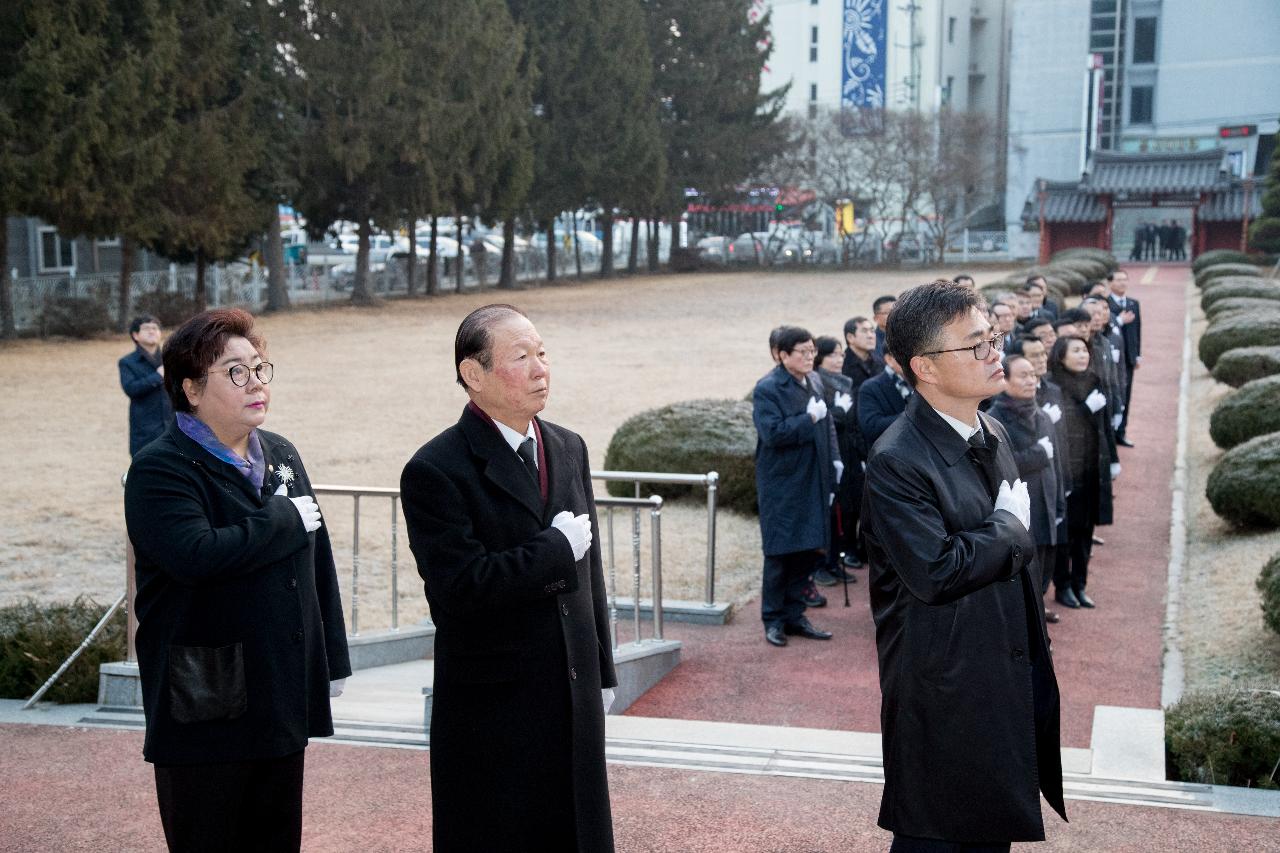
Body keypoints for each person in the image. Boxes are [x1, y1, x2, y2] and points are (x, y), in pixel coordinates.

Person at [122, 308, 351, 853]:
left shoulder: (282, 454)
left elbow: (317, 565)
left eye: (259, 368)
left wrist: (331, 661)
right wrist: (280, 519)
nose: (255, 384)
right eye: (235, 372)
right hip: (205, 701)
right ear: (191, 389)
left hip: (280, 692)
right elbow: (195, 555)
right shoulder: (162, 468)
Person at [400, 304, 616, 852]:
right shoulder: (436, 469)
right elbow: (459, 589)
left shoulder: (568, 446)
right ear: (473, 374)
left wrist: (603, 669)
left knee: (578, 831)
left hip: (572, 688)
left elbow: (590, 573)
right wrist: (553, 550)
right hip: (494, 703)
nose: (541, 368)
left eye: (542, 353)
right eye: (521, 357)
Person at [862, 281, 1065, 849]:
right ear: (924, 367)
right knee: (939, 833)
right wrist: (1007, 529)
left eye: (992, 338)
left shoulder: (990, 428)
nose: (994, 353)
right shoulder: (896, 459)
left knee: (988, 832)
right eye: (975, 344)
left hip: (997, 674)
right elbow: (936, 569)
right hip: (944, 692)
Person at [753, 326, 838, 647]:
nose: (808, 357)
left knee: (808, 548)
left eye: (811, 351)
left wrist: (835, 463)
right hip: (782, 482)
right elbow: (772, 433)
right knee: (780, 554)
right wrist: (808, 420)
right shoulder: (768, 388)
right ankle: (773, 619)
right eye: (801, 352)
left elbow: (827, 424)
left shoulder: (814, 380)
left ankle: (795, 614)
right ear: (782, 354)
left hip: (814, 476)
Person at [987, 353, 1067, 626]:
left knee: (1046, 564)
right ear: (1004, 380)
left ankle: (1039, 607)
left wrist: (1058, 504)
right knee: (1023, 572)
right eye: (1023, 375)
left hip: (1046, 501)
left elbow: (1056, 463)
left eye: (1033, 375)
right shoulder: (993, 420)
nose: (1031, 381)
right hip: (1019, 512)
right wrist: (1038, 453)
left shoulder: (1042, 415)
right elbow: (1002, 466)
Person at [1048, 335, 1119, 610]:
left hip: (1091, 466)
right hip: (1067, 469)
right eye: (1075, 350)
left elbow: (1104, 427)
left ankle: (1080, 584)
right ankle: (1063, 585)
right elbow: (1058, 426)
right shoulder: (1053, 384)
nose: (1082, 355)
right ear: (1061, 355)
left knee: (1086, 531)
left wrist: (1111, 459)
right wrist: (1083, 409)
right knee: (1067, 532)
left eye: (1084, 350)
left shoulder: (1094, 380)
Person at [815, 336, 859, 587]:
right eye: (833, 355)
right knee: (829, 513)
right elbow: (823, 421)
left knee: (842, 511)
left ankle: (834, 562)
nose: (839, 359)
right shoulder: (817, 381)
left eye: (841, 354)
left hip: (847, 454)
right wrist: (839, 412)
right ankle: (821, 565)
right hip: (829, 456)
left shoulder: (844, 382)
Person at [119, 314, 174, 457]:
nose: (152, 331)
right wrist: (157, 376)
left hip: (173, 427)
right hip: (145, 430)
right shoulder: (128, 362)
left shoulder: (172, 358)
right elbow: (131, 389)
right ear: (135, 335)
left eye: (155, 328)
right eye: (147, 328)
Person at [1107, 270, 1141, 447]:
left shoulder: (1134, 304)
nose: (1122, 283)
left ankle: (1121, 432)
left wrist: (1137, 355)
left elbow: (1137, 331)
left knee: (1125, 395)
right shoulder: (1105, 304)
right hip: (1110, 358)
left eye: (1125, 280)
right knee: (1113, 394)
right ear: (1110, 283)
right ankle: (1110, 432)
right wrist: (1119, 321)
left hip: (1127, 358)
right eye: (1118, 280)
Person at [857, 354, 912, 449]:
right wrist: (912, 416)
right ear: (889, 359)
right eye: (905, 353)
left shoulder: (922, 381)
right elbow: (872, 426)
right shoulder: (870, 387)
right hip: (892, 455)